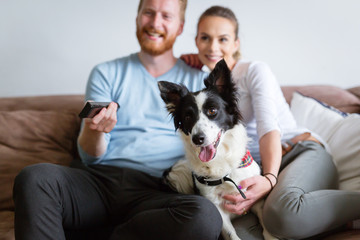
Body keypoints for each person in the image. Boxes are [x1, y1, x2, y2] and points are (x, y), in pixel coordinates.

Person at [12, 1, 224, 239]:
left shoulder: (199, 79)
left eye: (166, 16)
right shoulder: (106, 72)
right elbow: (90, 156)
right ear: (137, 17)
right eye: (148, 13)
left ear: (180, 27)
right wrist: (96, 130)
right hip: (99, 183)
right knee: (34, 179)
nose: (155, 23)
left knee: (205, 217)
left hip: (160, 190)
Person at [181, 5, 360, 239]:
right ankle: (334, 222)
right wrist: (181, 61)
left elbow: (269, 128)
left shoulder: (254, 71)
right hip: (255, 169)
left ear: (236, 43)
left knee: (282, 214)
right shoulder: (202, 86)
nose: (213, 47)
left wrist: (270, 178)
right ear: (196, 41)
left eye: (223, 39)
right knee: (245, 234)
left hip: (298, 151)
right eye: (205, 38)